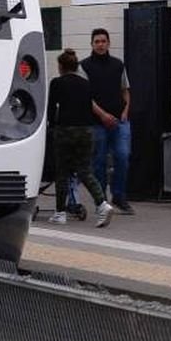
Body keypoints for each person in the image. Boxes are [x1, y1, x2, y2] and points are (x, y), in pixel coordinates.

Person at [47, 49, 115, 227]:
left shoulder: (57, 83)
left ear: (61, 66)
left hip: (65, 131)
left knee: (62, 173)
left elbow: (51, 108)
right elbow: (88, 107)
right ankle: (102, 204)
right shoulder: (86, 84)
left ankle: (60, 213)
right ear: (76, 66)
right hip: (86, 131)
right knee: (85, 171)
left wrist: (51, 127)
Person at [80, 29, 134, 214]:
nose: (100, 44)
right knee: (99, 162)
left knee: (123, 156)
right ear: (92, 44)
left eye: (103, 41)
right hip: (96, 122)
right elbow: (85, 96)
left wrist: (125, 111)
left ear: (109, 43)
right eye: (97, 41)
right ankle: (101, 200)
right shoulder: (84, 66)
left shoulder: (118, 65)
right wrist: (102, 115)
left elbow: (125, 90)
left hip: (120, 121)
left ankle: (119, 196)